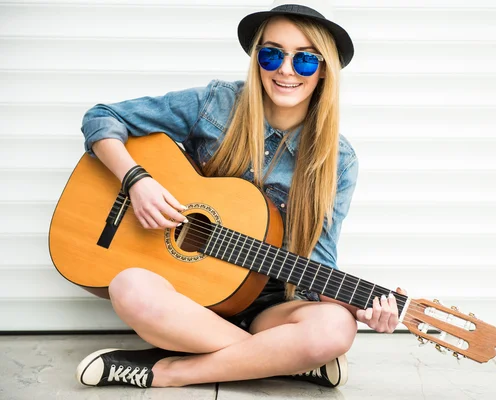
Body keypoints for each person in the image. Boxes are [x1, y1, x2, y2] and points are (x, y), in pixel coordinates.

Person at [75, 0, 404, 390]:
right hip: (187, 293)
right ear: (256, 59)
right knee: (128, 286)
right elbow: (102, 117)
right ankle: (277, 360)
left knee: (334, 328)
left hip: (271, 306)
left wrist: (361, 307)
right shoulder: (217, 105)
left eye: (304, 60)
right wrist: (137, 180)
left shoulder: (339, 161)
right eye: (271, 54)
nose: (285, 70)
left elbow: (318, 265)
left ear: (323, 71)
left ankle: (169, 372)